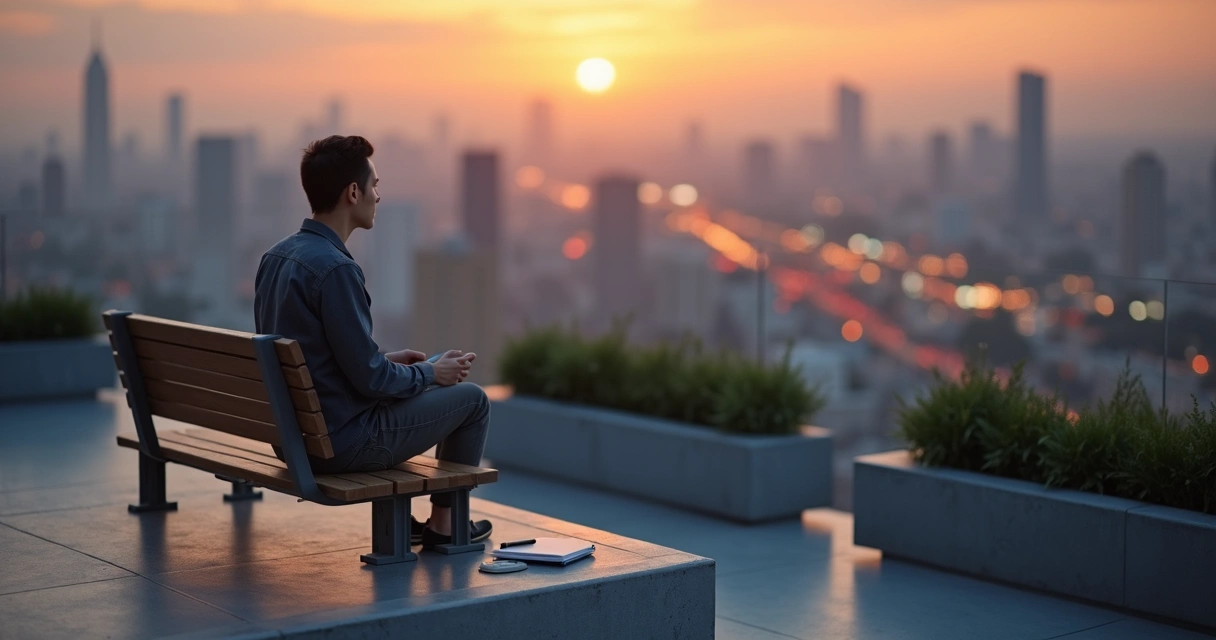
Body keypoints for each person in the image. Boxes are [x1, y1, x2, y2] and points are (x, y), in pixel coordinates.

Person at [254, 135, 492, 548]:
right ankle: (445, 526)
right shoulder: (336, 270)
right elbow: (370, 380)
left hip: (294, 438)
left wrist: (398, 364)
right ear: (353, 192)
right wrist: (427, 374)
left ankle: (431, 523)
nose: (377, 196)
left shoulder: (276, 256)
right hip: (340, 445)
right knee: (472, 400)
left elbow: (317, 357)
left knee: (435, 368)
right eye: (375, 186)